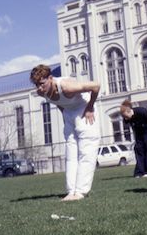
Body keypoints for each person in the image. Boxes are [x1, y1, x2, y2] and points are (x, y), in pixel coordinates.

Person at [30, 64, 100, 200]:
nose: (39, 88)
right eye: (37, 85)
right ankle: (71, 190)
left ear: (50, 78)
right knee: (71, 152)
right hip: (69, 113)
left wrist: (90, 107)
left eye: (42, 83)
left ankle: (80, 191)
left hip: (84, 108)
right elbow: (57, 102)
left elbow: (96, 86)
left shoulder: (67, 86)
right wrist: (66, 115)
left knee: (86, 150)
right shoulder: (41, 92)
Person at [119, 101, 147, 177]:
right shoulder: (126, 118)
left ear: (128, 111)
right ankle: (139, 172)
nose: (125, 118)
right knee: (139, 151)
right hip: (139, 135)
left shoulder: (140, 111)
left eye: (125, 115)